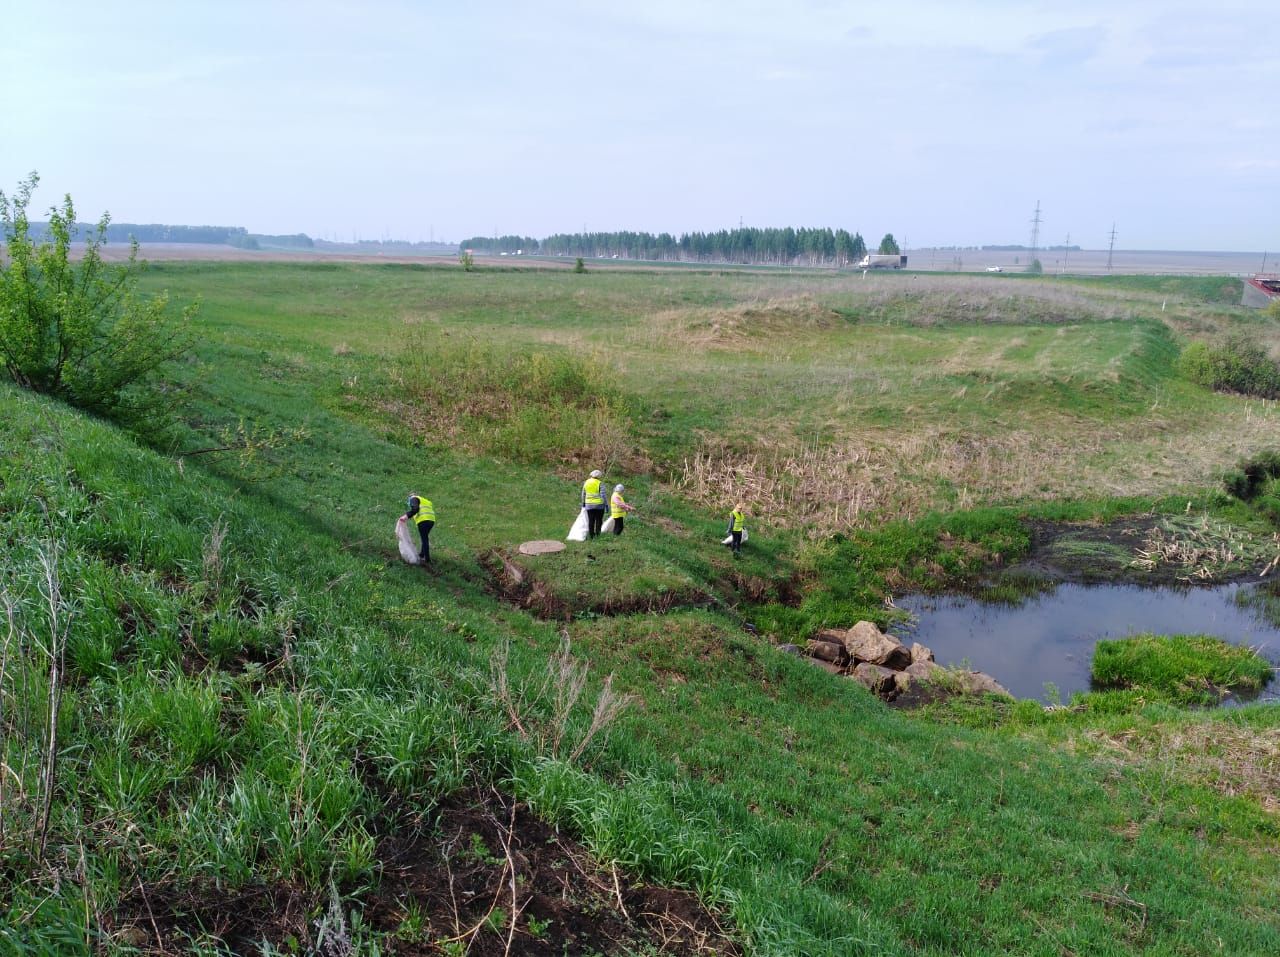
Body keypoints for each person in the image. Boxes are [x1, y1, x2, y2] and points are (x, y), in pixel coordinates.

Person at [405, 493, 435, 564]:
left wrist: (407, 515)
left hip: (423, 520)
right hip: (431, 520)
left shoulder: (413, 498)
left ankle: (427, 559)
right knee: (425, 537)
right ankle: (422, 554)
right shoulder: (425, 501)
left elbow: (415, 509)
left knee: (424, 539)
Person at [582, 469, 606, 538]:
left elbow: (583, 494)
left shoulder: (586, 482)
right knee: (599, 520)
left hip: (589, 505)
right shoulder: (600, 483)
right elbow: (603, 495)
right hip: (599, 506)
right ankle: (598, 535)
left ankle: (591, 535)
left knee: (591, 520)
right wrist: (606, 504)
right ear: (599, 476)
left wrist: (583, 503)